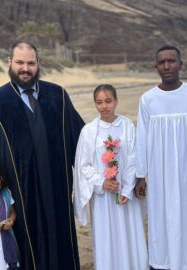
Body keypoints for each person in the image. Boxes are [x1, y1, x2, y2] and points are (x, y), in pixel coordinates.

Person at [0, 41, 84, 269]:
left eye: (30, 63)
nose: (25, 68)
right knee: (27, 247)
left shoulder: (58, 96)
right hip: (20, 192)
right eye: (19, 63)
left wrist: (107, 165)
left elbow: (81, 140)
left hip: (57, 189)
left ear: (38, 65)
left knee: (60, 241)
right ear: (9, 63)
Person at [135, 45, 187, 270]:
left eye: (172, 61)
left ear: (181, 64)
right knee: (161, 216)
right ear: (156, 66)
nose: (167, 66)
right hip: (159, 172)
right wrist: (141, 175)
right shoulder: (148, 99)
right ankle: (162, 262)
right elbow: (142, 139)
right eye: (162, 62)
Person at [73, 84, 148, 270]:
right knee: (107, 237)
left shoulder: (127, 125)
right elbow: (83, 165)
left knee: (130, 234)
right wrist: (102, 182)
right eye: (99, 102)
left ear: (116, 101)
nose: (104, 106)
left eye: (108, 101)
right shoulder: (89, 131)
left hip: (125, 195)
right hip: (103, 198)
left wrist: (127, 188)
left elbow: (133, 158)